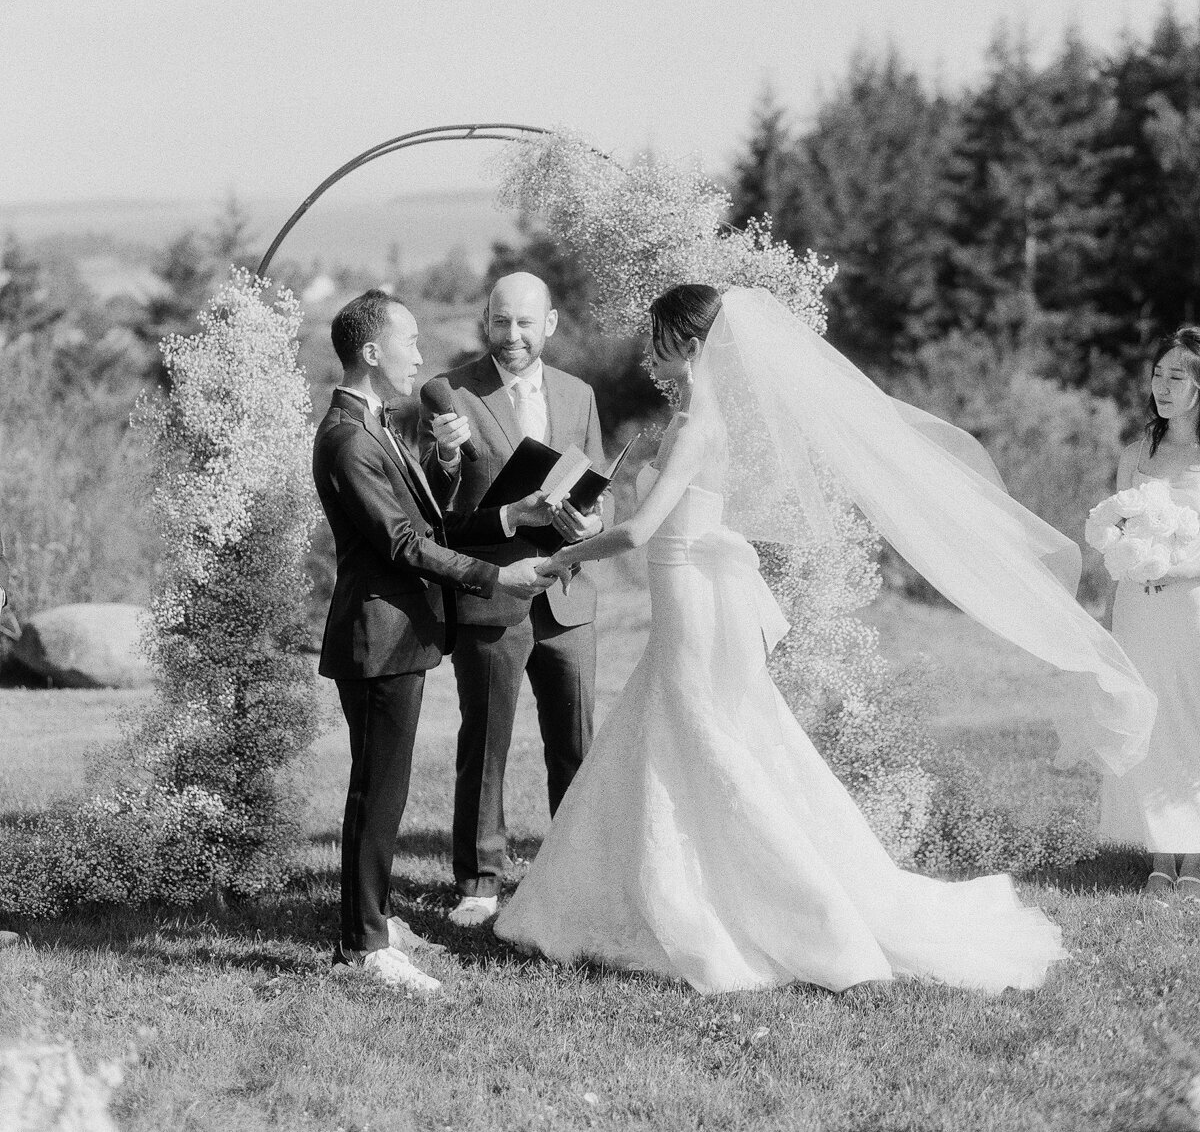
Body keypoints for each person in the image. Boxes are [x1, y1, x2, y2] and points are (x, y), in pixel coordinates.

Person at [494, 283, 1155, 994]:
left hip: (691, 595)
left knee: (702, 737)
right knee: (695, 734)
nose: (648, 351)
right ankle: (658, 892)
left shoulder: (694, 427)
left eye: (658, 338)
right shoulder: (688, 419)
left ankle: (782, 909)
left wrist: (558, 560)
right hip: (693, 594)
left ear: (689, 345)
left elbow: (641, 532)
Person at [313, 289, 547, 993]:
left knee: (386, 784)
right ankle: (363, 948)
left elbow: (428, 519)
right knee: (375, 792)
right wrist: (494, 581)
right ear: (371, 351)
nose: (421, 352)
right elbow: (402, 542)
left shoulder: (378, 422)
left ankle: (376, 916)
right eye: (409, 339)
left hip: (399, 634)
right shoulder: (349, 436)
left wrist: (464, 482)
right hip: (376, 634)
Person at [418, 271, 610, 927]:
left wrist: (595, 520)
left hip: (568, 595)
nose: (513, 335)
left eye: (526, 322)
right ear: (485, 320)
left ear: (550, 324)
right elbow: (435, 506)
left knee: (575, 745)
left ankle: (578, 871)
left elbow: (600, 483)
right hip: (492, 593)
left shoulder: (579, 394)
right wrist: (443, 460)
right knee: (488, 743)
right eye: (501, 321)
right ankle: (479, 882)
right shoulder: (452, 392)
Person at [1099, 327, 1200, 901]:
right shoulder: (1136, 455)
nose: (1161, 386)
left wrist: (1174, 569)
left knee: (1194, 723)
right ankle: (1162, 854)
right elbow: (1115, 533)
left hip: (1192, 607)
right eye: (1158, 375)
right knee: (1153, 722)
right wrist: (1128, 565)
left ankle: (1197, 856)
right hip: (1139, 609)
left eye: (1176, 377)